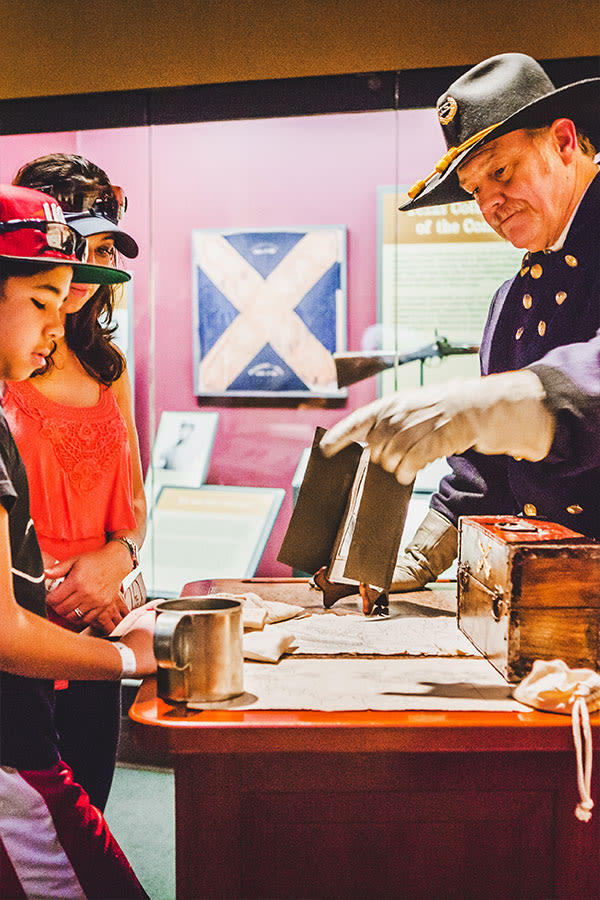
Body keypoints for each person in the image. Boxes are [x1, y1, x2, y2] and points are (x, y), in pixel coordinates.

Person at [320, 53, 600, 590]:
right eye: (474, 190)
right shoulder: (511, 299)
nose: (490, 203)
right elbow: (487, 475)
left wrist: (490, 405)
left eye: (501, 171)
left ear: (564, 142)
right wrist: (418, 557)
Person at [0, 183, 154, 899]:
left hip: (92, 617)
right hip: (24, 671)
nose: (61, 313)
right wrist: (132, 656)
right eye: (43, 295)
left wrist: (117, 564)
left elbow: (134, 505)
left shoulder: (108, 368)